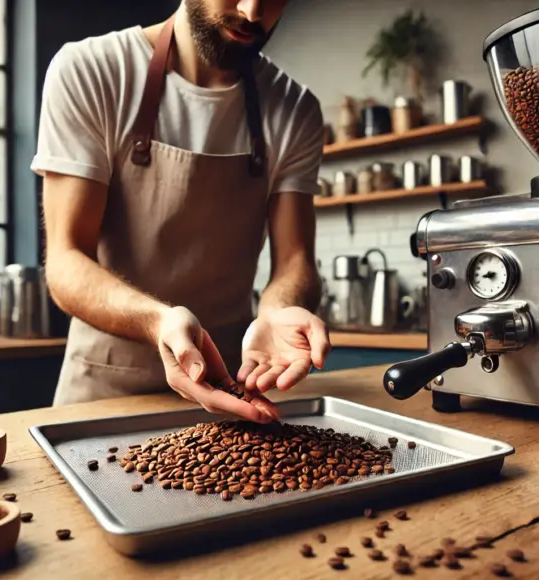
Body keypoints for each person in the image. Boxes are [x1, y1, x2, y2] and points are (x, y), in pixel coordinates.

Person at [32, 0, 330, 424]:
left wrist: (279, 311)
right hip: (102, 393)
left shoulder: (295, 110)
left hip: (231, 389)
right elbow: (65, 261)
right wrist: (159, 321)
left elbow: (295, 259)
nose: (252, 10)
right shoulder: (91, 70)